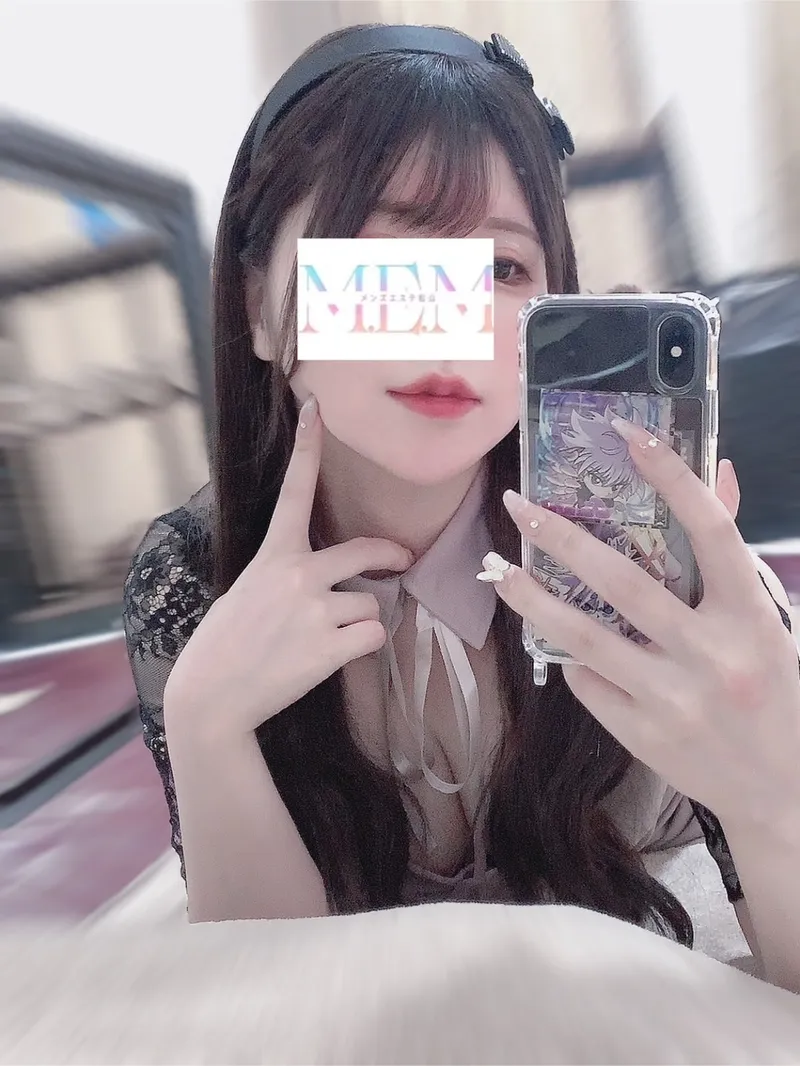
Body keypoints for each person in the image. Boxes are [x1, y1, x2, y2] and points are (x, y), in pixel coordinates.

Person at [122, 24, 800, 994]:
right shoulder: (192, 576)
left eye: (503, 271)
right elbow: (272, 1013)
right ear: (260, 309)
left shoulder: (637, 540)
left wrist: (772, 791)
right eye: (376, 261)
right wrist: (206, 726)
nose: (449, 327)